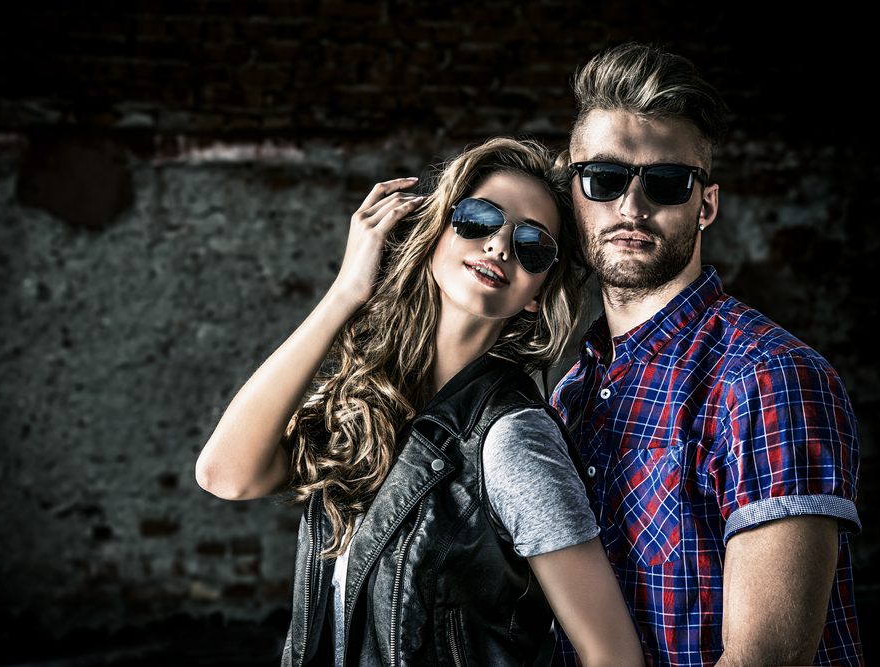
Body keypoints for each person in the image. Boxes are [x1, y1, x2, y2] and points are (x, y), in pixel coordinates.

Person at [196, 137, 646, 666]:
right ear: (437, 231)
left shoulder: (511, 441)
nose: (500, 246)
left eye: (532, 245)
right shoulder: (371, 401)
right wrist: (346, 292)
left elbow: (612, 654)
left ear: (537, 296)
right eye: (479, 218)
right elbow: (226, 473)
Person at [549, 42, 863, 666]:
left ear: (707, 204)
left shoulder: (769, 378)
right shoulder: (573, 391)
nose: (631, 207)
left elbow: (764, 661)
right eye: (604, 180)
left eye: (666, 183)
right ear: (572, 194)